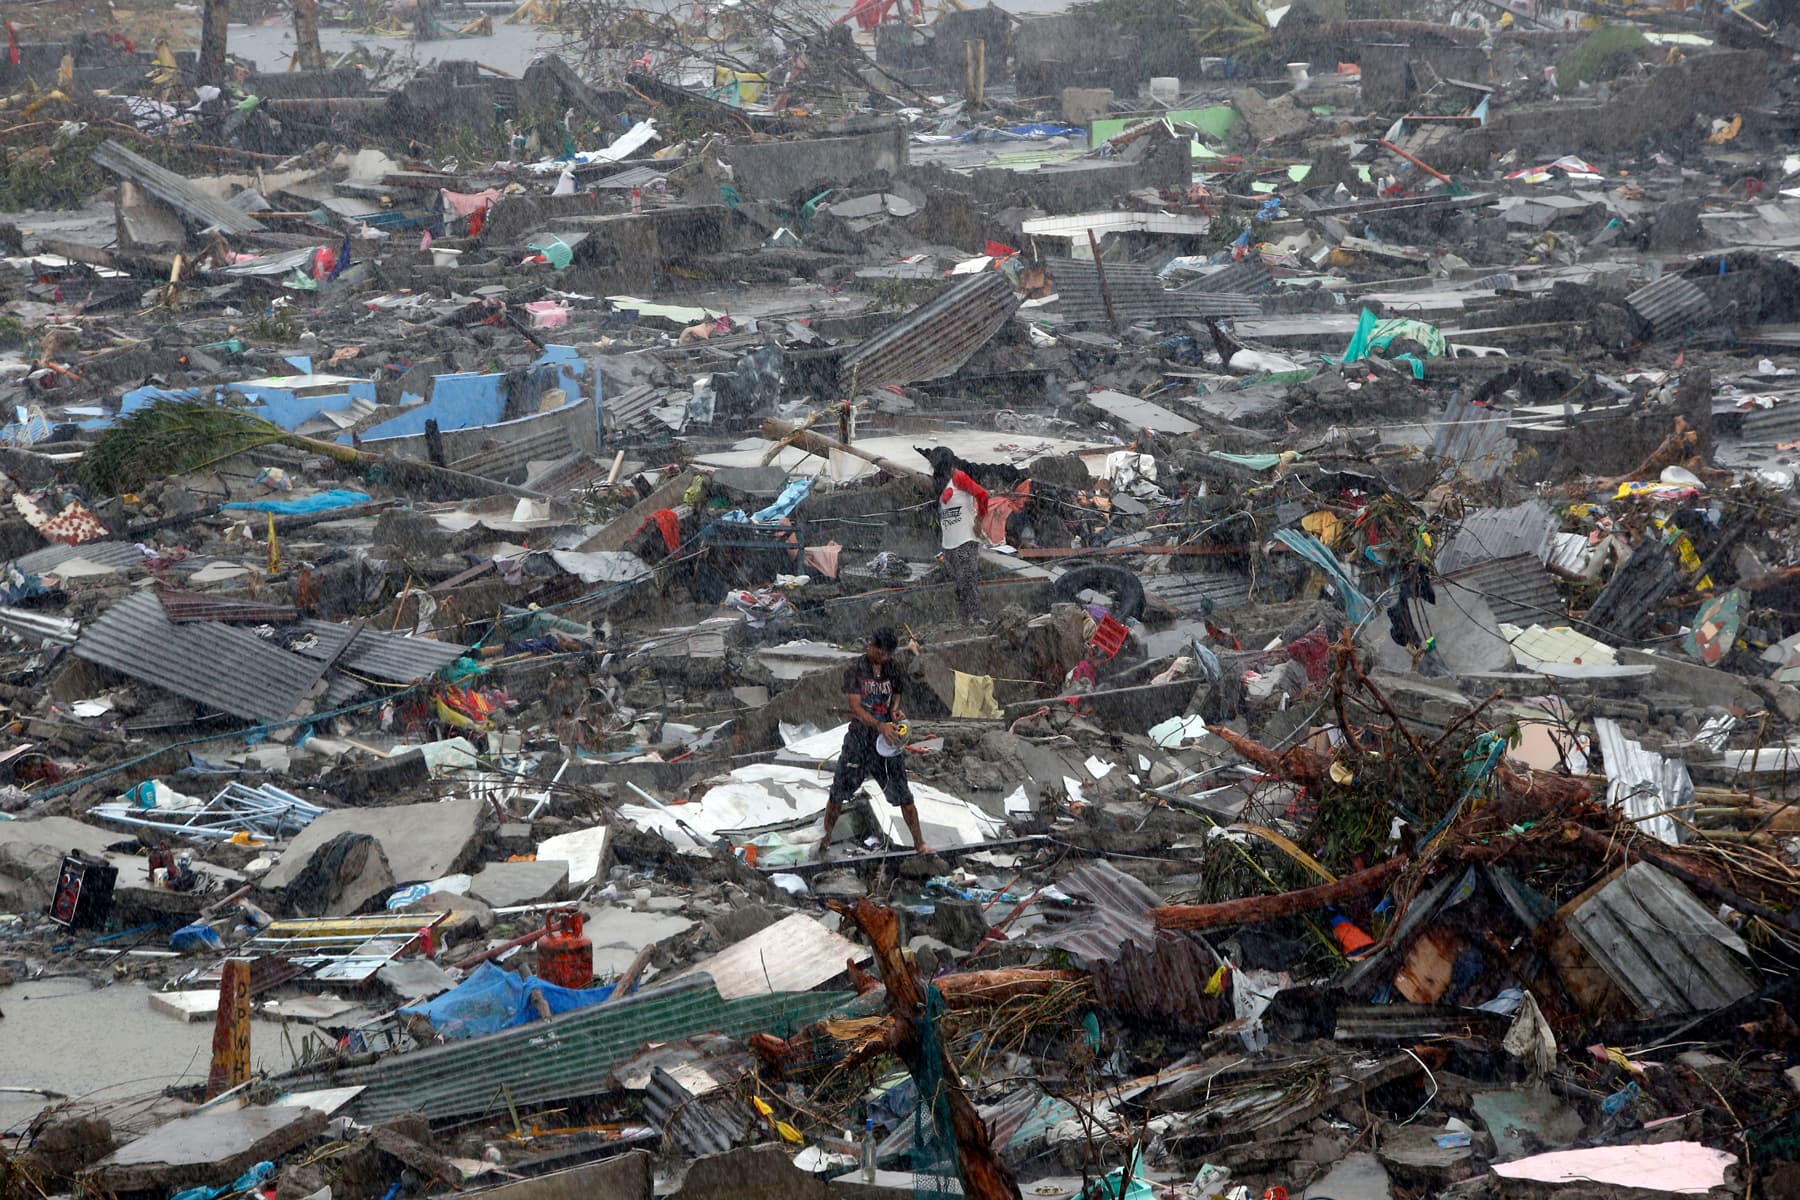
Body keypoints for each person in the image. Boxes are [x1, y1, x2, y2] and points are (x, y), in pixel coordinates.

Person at [816, 627, 929, 858]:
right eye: (876, 650)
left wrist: (895, 712)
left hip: (886, 744)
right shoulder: (855, 669)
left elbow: (897, 694)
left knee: (904, 796)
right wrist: (879, 725)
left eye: (885, 654)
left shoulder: (893, 668)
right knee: (838, 792)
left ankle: (920, 844)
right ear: (872, 646)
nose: (880, 656)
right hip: (859, 740)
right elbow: (856, 708)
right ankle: (824, 839)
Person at [932, 454, 990, 623]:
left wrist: (979, 520)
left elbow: (983, 495)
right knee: (958, 585)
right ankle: (965, 620)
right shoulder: (940, 483)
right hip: (949, 543)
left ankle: (975, 619)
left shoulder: (958, 477)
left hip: (965, 540)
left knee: (967, 582)